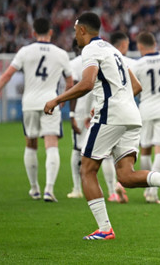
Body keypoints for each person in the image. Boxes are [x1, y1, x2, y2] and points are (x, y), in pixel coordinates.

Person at [43, 12, 160, 240]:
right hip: (131, 115)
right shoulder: (112, 50)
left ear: (82, 29)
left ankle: (105, 229)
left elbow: (87, 83)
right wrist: (116, 102)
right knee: (126, 176)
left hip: (111, 115)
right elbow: (136, 85)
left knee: (87, 169)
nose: (76, 37)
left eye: (75, 32)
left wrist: (57, 99)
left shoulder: (90, 50)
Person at [0, 18, 73, 202]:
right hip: (50, 102)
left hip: (29, 103)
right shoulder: (61, 54)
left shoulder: (25, 51)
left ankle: (34, 189)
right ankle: (49, 190)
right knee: (51, 144)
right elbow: (70, 82)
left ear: (33, 32)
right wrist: (62, 99)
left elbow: (7, 75)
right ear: (51, 32)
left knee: (30, 144)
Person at [133, 31, 160, 204]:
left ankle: (148, 188)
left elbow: (134, 87)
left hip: (145, 109)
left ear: (140, 46)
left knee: (145, 149)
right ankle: (153, 192)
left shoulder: (138, 64)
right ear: (155, 44)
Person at [103, 30, 136, 203]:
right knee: (125, 152)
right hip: (129, 112)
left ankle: (112, 191)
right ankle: (122, 184)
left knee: (105, 153)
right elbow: (137, 87)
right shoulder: (130, 62)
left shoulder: (104, 59)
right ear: (123, 44)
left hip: (109, 111)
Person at [67, 39, 94, 199]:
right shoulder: (97, 59)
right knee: (103, 152)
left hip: (80, 110)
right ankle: (112, 190)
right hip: (96, 109)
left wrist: (71, 115)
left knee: (77, 149)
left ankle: (77, 189)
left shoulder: (74, 63)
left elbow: (74, 90)